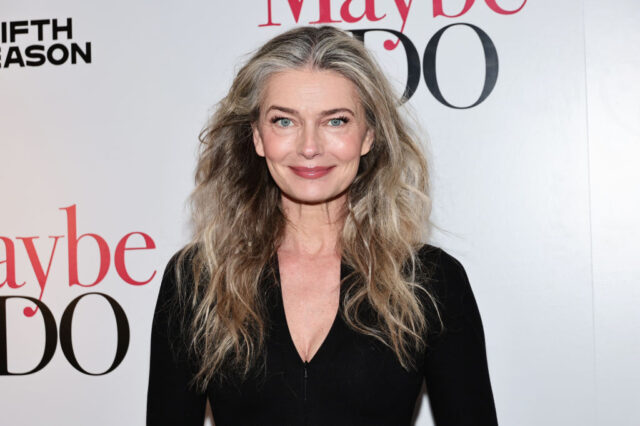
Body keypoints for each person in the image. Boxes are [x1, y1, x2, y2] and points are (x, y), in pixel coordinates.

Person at [146, 25, 498, 426]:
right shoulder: (197, 279)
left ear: (368, 135)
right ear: (257, 137)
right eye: (284, 121)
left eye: (335, 121)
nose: (309, 147)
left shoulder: (432, 282)